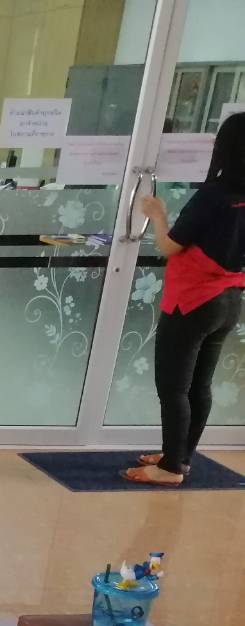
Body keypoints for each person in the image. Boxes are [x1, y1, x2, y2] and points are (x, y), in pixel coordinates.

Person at [129, 113, 245, 485]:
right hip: (229, 301)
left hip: (193, 302)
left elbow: (169, 246)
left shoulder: (214, 195)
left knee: (174, 387)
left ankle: (169, 469)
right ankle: (180, 458)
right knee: (200, 385)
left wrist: (156, 214)